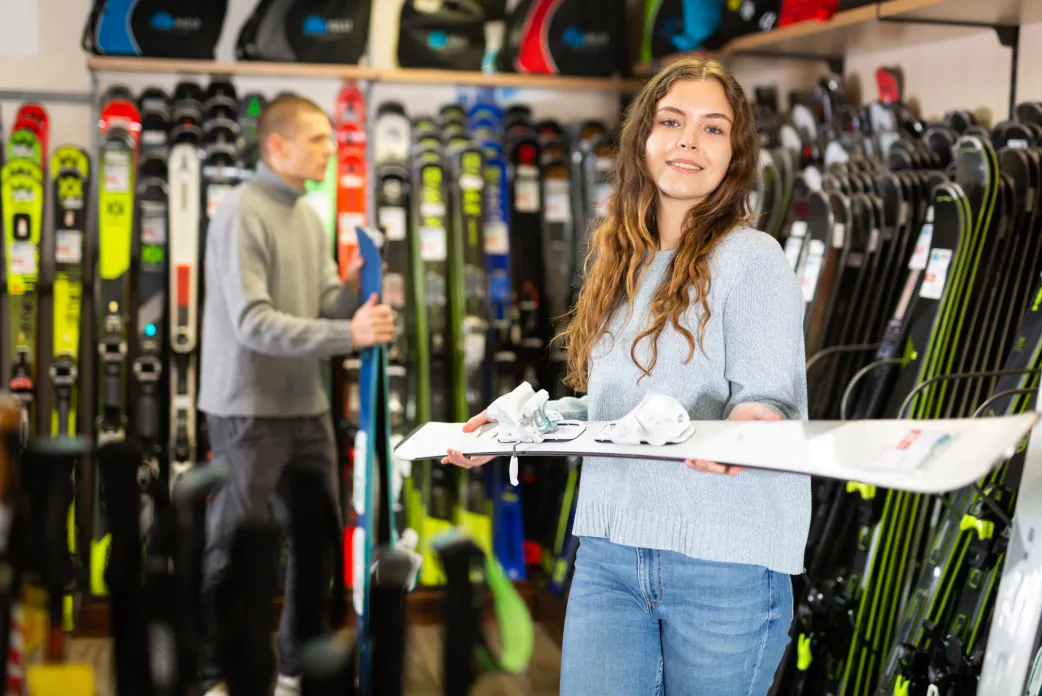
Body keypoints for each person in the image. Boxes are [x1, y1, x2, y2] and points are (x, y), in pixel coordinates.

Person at [444, 56, 809, 695]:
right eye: (672, 121)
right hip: (610, 553)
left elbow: (767, 398)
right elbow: (615, 413)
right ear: (643, 138)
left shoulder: (752, 260)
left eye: (713, 128)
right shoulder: (620, 261)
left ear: (735, 153)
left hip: (722, 563)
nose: (689, 141)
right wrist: (515, 429)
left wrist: (743, 435)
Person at [196, 94, 395, 696]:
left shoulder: (308, 215)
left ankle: (292, 671)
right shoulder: (240, 212)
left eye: (331, 138)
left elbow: (323, 305)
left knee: (316, 548)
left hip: (307, 411)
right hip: (246, 413)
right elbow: (253, 322)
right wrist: (347, 332)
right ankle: (211, 677)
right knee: (229, 550)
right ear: (276, 145)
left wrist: (353, 292)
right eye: (317, 138)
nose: (331, 149)